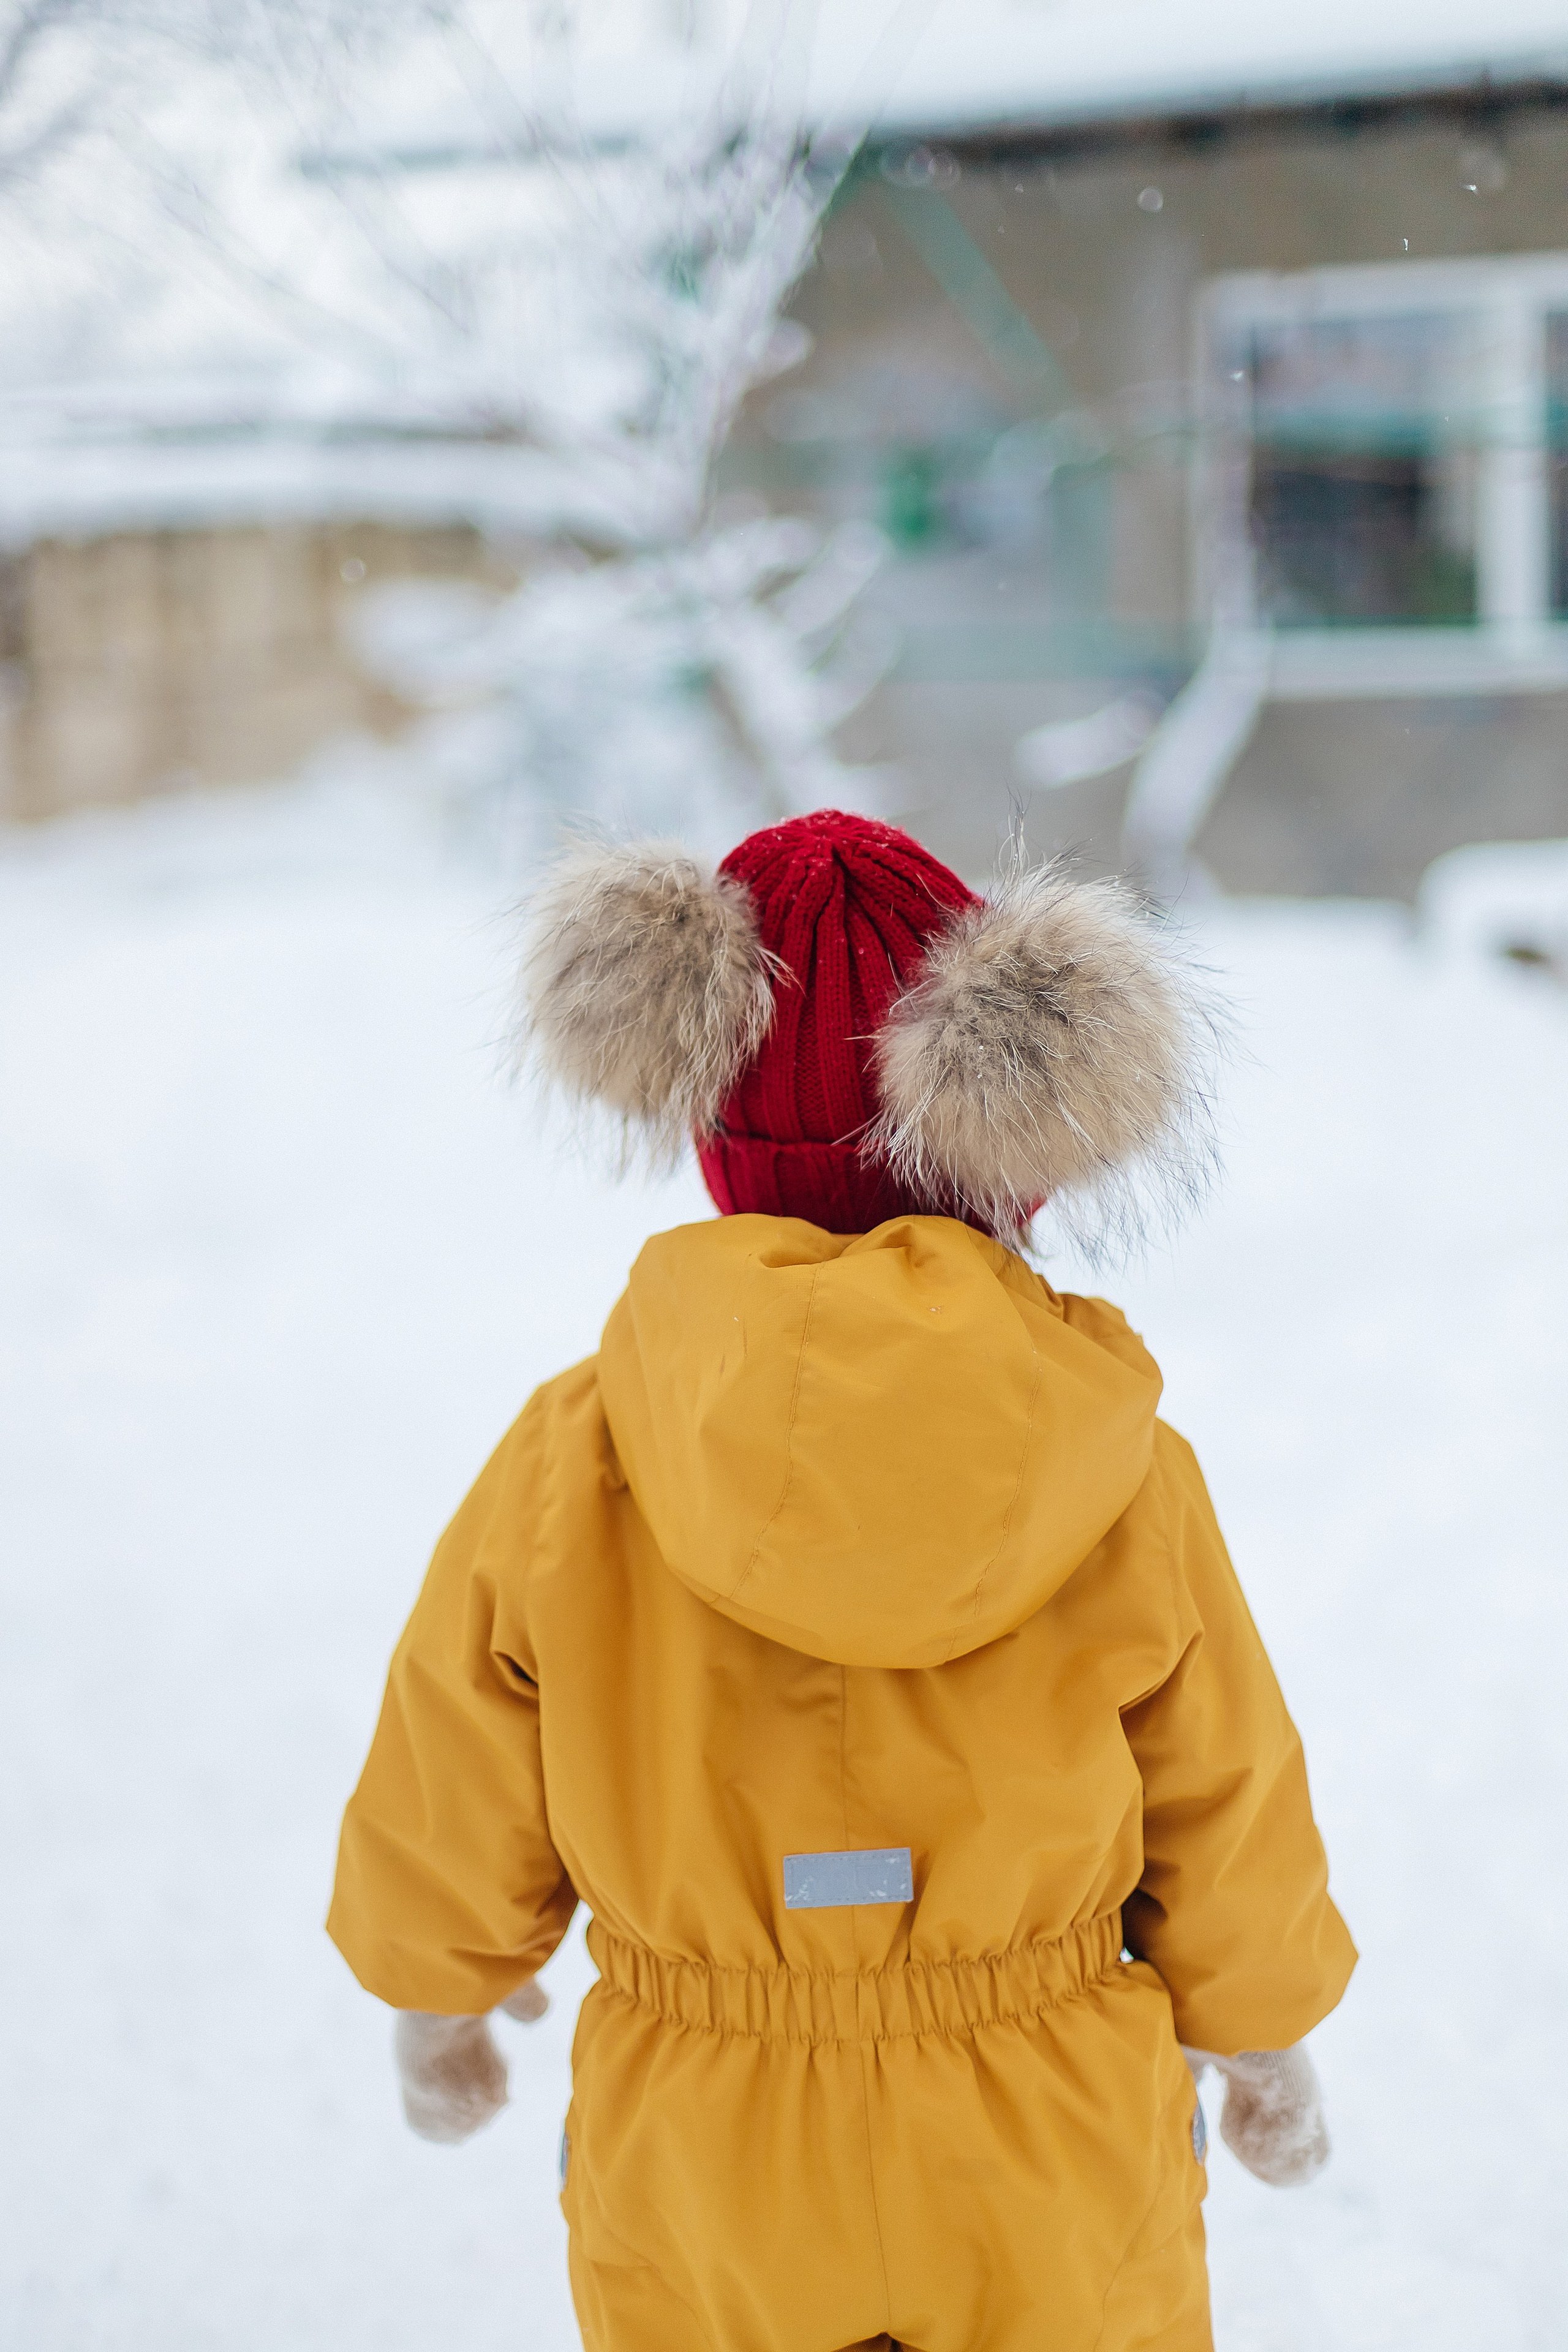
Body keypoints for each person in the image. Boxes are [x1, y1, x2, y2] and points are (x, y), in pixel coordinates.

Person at [328, 810, 1355, 2352]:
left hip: (705, 2130)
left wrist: (437, 1987)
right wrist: (1258, 2028)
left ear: (710, 1124)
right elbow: (1221, 1775)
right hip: (1042, 2123)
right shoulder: (1115, 1456)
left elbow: (456, 1741)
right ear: (1006, 1131)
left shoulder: (576, 1452)